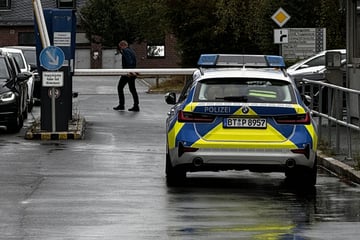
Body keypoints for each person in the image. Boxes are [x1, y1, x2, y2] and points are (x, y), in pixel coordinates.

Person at [113, 40, 140, 111]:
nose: (120, 49)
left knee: (120, 87)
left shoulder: (125, 51)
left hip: (128, 73)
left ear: (122, 46)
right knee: (133, 89)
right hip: (132, 72)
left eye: (120, 47)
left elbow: (129, 61)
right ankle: (136, 105)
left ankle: (121, 104)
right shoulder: (132, 51)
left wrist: (128, 71)